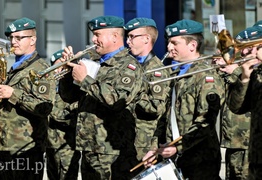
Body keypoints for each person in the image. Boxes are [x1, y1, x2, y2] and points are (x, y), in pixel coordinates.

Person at [59, 15, 145, 180]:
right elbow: (68, 97)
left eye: (98, 34)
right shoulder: (93, 62)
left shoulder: (128, 66)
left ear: (114, 37)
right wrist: (68, 74)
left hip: (112, 152)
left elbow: (116, 100)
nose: (93, 39)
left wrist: (85, 79)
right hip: (89, 146)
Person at [143, 19, 225, 180]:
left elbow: (206, 121)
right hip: (176, 158)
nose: (169, 48)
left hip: (200, 160)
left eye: (174, 43)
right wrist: (154, 149)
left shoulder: (206, 75)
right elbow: (165, 116)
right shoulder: (176, 74)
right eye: (169, 43)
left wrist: (178, 147)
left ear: (192, 45)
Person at [0, 17, 56, 180]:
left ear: (33, 39)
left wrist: (12, 93)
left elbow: (45, 108)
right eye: (11, 38)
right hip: (5, 147)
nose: (13, 42)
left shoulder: (41, 69)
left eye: (19, 38)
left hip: (26, 149)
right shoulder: (14, 68)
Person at [111, 17, 171, 179]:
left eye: (132, 37)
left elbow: (157, 109)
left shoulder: (157, 70)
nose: (128, 41)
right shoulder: (127, 65)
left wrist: (134, 95)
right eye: (127, 37)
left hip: (142, 147)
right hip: (121, 143)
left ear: (146, 39)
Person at [227, 25, 262, 180]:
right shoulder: (256, 73)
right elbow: (237, 107)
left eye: (258, 47)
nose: (252, 53)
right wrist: (245, 77)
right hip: (256, 156)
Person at [46, 49, 81, 180]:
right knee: (52, 174)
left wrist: (48, 112)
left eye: (62, 66)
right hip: (50, 142)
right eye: (56, 66)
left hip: (66, 144)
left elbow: (71, 114)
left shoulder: (73, 88)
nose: (59, 70)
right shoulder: (50, 85)